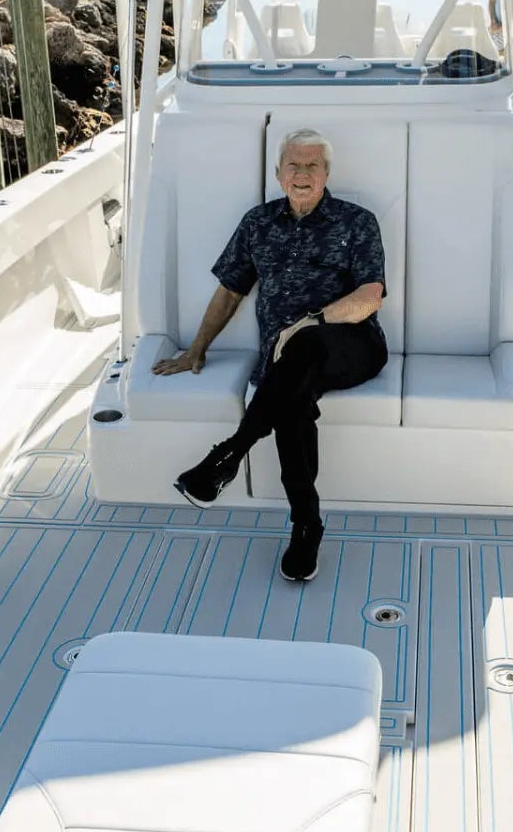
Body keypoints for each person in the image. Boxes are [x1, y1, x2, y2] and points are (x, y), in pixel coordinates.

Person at [153, 130, 387, 583]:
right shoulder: (257, 223)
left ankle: (230, 453)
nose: (302, 174)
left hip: (353, 345)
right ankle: (306, 525)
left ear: (327, 173)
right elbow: (230, 291)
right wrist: (196, 349)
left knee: (303, 346)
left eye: (312, 165)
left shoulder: (356, 221)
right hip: (286, 360)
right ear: (278, 173)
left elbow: (370, 297)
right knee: (292, 401)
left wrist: (310, 322)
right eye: (293, 165)